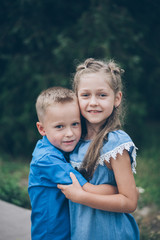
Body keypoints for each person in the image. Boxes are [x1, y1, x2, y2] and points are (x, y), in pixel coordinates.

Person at [58, 58, 140, 240]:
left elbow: (129, 201)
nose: (93, 102)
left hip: (111, 233)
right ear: (76, 98)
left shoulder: (115, 144)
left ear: (116, 98)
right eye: (86, 95)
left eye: (102, 95)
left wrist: (81, 197)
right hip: (81, 233)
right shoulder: (73, 141)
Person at [28, 86, 117, 240]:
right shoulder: (46, 159)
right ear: (42, 129)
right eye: (59, 126)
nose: (69, 133)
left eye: (75, 124)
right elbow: (86, 188)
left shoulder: (64, 148)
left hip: (70, 231)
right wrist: (120, 190)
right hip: (51, 235)